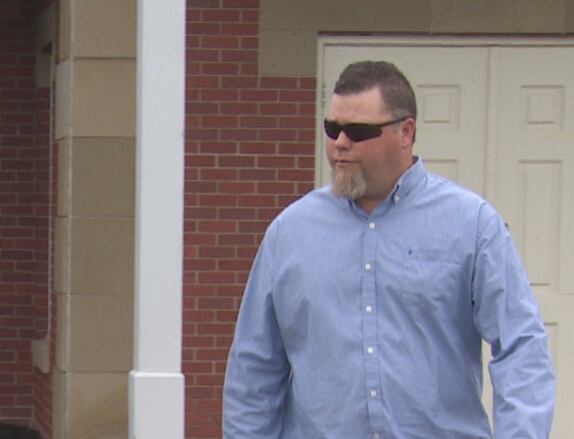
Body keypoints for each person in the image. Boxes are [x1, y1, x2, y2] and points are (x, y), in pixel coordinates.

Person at [223, 60, 556, 438]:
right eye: (332, 128)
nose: (340, 143)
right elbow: (254, 370)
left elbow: (522, 348)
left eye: (358, 130)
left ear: (406, 132)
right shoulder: (289, 234)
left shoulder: (472, 226)